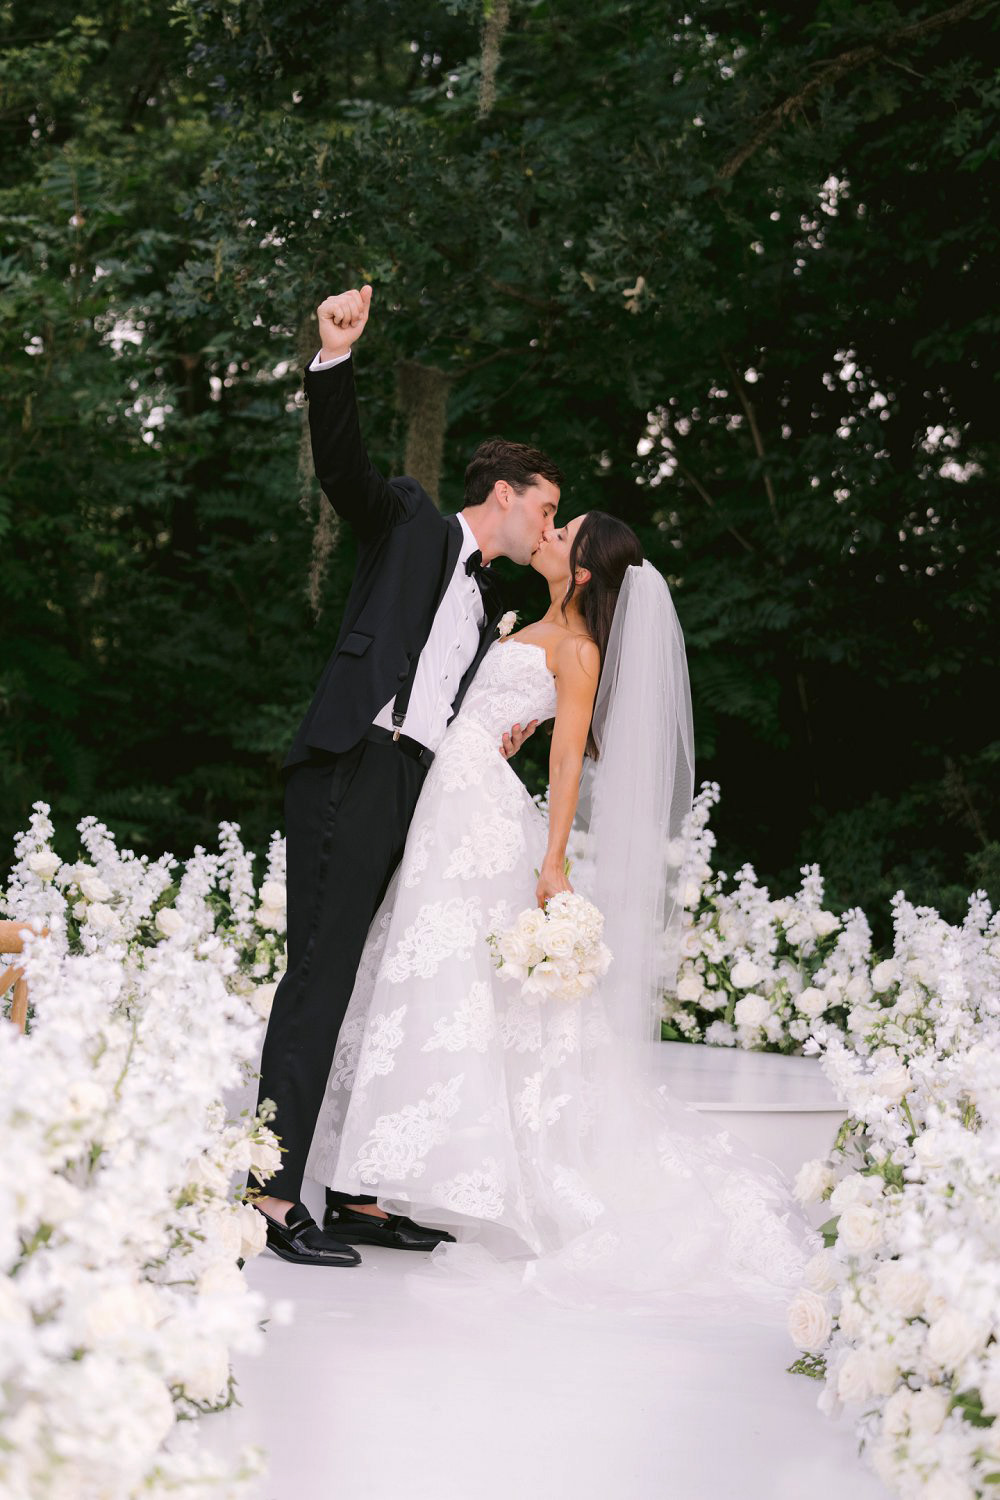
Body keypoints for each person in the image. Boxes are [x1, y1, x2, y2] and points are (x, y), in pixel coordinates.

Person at [305, 511, 819, 1312]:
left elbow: (566, 753)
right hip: (448, 794)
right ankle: (371, 1177)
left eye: (561, 531)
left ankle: (399, 1174)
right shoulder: (521, 622)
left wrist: (552, 860)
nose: (544, 533)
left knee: (446, 975)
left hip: (476, 812)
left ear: (581, 571)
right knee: (418, 965)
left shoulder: (578, 651)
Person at [251, 285, 563, 1266]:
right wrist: (334, 359)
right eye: (544, 509)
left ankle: (347, 1190)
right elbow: (345, 471)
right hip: (351, 768)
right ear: (504, 495)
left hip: (410, 792)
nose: (545, 528)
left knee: (376, 979)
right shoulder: (418, 524)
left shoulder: (485, 605)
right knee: (321, 975)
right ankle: (265, 1193)